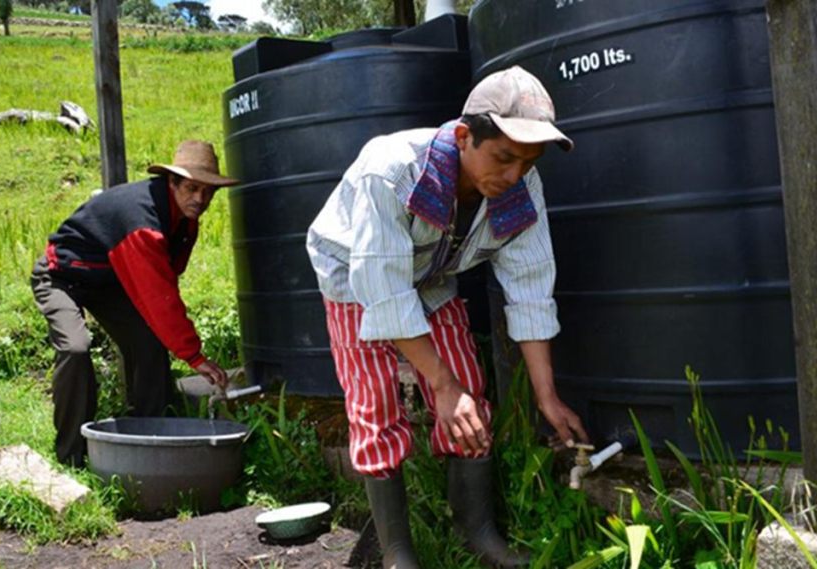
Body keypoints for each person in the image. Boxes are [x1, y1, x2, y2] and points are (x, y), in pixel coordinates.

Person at [305, 66, 590, 568]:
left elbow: (529, 287)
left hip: (431, 273)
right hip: (356, 275)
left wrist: (546, 394)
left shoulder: (522, 188)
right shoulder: (392, 169)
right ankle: (398, 552)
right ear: (464, 136)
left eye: (528, 162)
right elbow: (384, 290)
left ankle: (475, 531)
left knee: (469, 394)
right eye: (504, 157)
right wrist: (438, 385)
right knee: (375, 404)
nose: (513, 175)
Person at [31, 140, 237, 467]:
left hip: (110, 281)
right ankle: (71, 455)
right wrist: (194, 356)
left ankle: (149, 433)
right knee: (76, 348)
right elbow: (159, 296)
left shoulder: (185, 219)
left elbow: (168, 276)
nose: (201, 199)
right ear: (172, 182)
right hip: (61, 276)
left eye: (209, 192)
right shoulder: (143, 223)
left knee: (149, 340)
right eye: (193, 188)